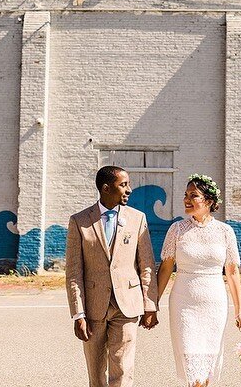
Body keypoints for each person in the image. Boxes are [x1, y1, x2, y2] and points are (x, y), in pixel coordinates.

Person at [65, 165, 159, 387]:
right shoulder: (79, 221)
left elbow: (146, 265)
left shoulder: (137, 219)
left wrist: (150, 304)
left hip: (127, 305)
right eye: (123, 185)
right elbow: (73, 272)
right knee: (96, 376)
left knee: (123, 371)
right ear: (106, 188)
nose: (129, 190)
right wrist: (78, 313)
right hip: (92, 309)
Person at [157, 173, 241, 387]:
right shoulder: (176, 229)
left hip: (214, 304)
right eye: (186, 195)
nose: (186, 199)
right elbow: (166, 268)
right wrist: (153, 304)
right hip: (183, 304)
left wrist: (239, 310)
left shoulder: (225, 232)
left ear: (209, 201)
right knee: (190, 361)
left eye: (193, 195)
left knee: (207, 364)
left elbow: (232, 272)